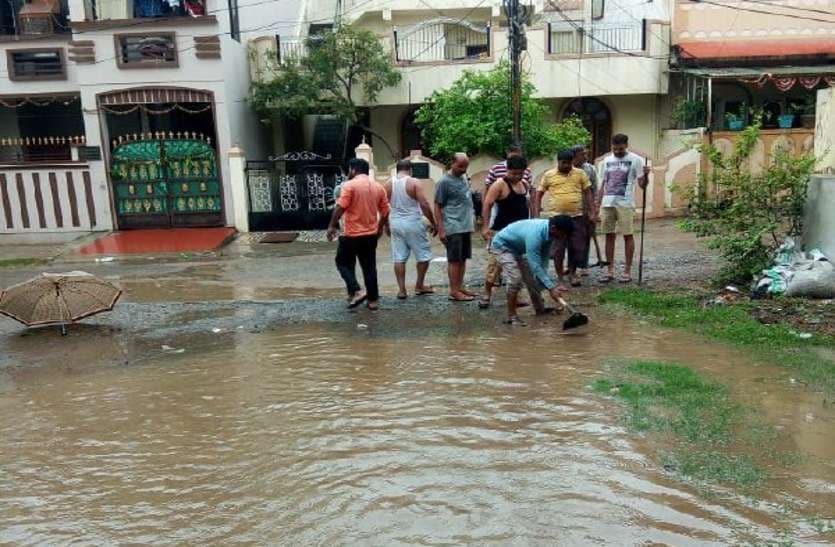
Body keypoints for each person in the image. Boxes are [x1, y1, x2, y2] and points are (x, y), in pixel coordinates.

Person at [327, 158, 390, 311]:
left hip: (351, 234)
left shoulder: (349, 185)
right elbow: (386, 211)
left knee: (342, 263)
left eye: (350, 170)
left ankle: (356, 290)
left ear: (353, 170)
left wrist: (331, 226)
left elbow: (341, 207)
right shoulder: (378, 187)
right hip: (370, 234)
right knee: (369, 267)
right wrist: (380, 227)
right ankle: (373, 300)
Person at [490, 216, 574, 326]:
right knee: (515, 279)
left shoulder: (550, 234)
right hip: (502, 246)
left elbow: (543, 261)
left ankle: (540, 309)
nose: (564, 237)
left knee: (533, 279)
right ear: (554, 228)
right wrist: (551, 288)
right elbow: (534, 264)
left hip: (518, 249)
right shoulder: (536, 234)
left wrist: (547, 284)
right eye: (564, 234)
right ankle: (512, 316)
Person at [533, 149, 593, 288]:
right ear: (558, 161)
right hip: (557, 219)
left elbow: (588, 193)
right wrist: (536, 214)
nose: (566, 165)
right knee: (558, 250)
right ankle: (560, 279)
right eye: (563, 163)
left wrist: (593, 212)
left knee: (577, 248)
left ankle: (572, 273)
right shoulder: (549, 175)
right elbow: (538, 194)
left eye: (569, 163)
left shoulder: (580, 173)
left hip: (577, 217)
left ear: (572, 162)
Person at [596, 134, 650, 284]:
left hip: (625, 203)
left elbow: (642, 185)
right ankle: (610, 270)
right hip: (607, 203)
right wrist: (597, 204)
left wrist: (646, 175)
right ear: (611, 146)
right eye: (615, 149)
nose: (618, 151)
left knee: (628, 235)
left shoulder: (636, 160)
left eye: (620, 149)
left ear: (626, 145)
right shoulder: (606, 161)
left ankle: (627, 270)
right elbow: (602, 184)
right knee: (608, 235)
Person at [479, 154, 531, 309]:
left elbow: (527, 205)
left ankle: (516, 296)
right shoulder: (499, 184)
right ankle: (487, 293)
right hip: (501, 231)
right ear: (507, 170)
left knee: (518, 265)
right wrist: (485, 227)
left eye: (520, 173)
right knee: (494, 266)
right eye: (513, 173)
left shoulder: (524, 184)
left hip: (520, 232)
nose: (516, 176)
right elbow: (487, 204)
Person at [384, 159, 437, 300]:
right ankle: (419, 285)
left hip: (395, 223)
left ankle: (402, 290)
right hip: (413, 222)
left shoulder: (389, 183)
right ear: (410, 170)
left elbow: (383, 206)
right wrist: (433, 221)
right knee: (423, 256)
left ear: (397, 169)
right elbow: (424, 204)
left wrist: (386, 225)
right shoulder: (414, 182)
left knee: (399, 257)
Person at [434, 153, 477, 302]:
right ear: (451, 163)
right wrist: (440, 229)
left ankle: (459, 287)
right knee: (454, 260)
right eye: (460, 166)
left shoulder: (463, 178)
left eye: (465, 166)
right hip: (453, 226)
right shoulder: (444, 182)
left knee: (463, 258)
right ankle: (454, 291)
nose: (463, 169)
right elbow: (437, 206)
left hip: (465, 225)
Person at [571, 144, 599, 277]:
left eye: (586, 154)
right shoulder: (567, 168)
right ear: (575, 156)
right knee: (570, 238)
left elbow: (594, 189)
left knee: (585, 237)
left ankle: (583, 265)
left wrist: (594, 209)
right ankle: (571, 266)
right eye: (583, 154)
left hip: (586, 208)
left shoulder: (590, 169)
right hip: (570, 208)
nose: (586, 156)